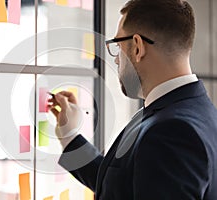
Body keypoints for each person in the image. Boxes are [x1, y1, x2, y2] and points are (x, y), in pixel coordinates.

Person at [48, 0, 217, 199]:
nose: (117, 59)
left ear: (137, 47)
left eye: (118, 46)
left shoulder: (171, 131)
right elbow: (121, 185)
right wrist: (69, 136)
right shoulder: (193, 111)